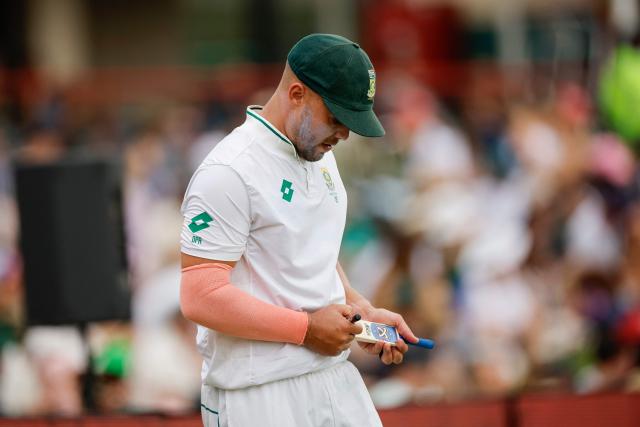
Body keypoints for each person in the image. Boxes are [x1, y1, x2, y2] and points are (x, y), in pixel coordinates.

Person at [179, 33, 418, 427]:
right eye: (337, 118)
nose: (344, 134)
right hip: (258, 392)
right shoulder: (229, 171)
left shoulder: (319, 154)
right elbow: (200, 296)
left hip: (332, 377)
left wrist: (362, 312)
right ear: (296, 94)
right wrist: (306, 329)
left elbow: (310, 253)